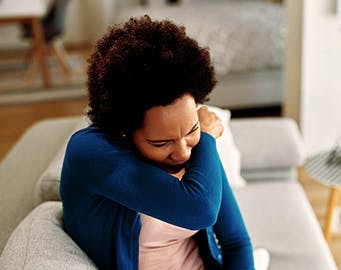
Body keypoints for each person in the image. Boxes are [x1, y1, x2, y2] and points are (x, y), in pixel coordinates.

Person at [60, 15, 254, 270]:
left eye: (192, 129)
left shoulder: (197, 149)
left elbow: (237, 242)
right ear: (124, 131)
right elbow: (201, 209)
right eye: (162, 143)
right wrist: (205, 136)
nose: (183, 153)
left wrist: (201, 139)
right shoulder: (88, 153)